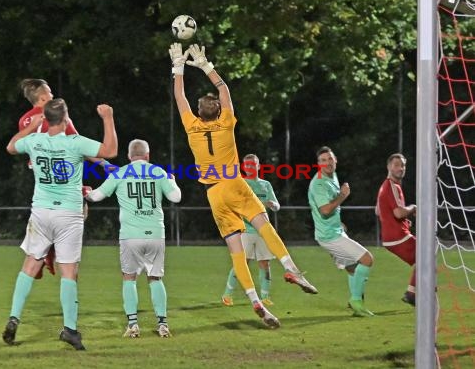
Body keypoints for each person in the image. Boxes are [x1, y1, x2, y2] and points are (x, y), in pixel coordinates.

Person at [170, 43, 317, 329]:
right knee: (264, 226)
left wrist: (178, 66)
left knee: (236, 251)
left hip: (213, 193)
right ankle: (291, 269)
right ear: (219, 110)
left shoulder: (191, 125)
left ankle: (254, 301)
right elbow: (224, 91)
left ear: (199, 112)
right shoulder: (226, 122)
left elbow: (179, 97)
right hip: (234, 184)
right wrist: (205, 65)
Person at [2, 98, 118, 350]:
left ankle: (14, 317)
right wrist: (107, 118)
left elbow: (11, 146)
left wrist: (32, 126)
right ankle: (70, 329)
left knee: (30, 266)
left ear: (46, 119)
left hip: (41, 211)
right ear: (66, 120)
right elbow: (110, 151)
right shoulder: (74, 143)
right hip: (68, 214)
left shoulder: (35, 141)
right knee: (69, 272)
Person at [84, 139, 181, 338]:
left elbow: (96, 197)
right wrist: (172, 181)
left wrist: (86, 192)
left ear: (129, 156)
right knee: (155, 278)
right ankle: (163, 324)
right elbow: (176, 197)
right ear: (147, 155)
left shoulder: (120, 173)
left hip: (130, 235)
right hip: (155, 233)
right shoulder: (158, 172)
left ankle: (133, 325)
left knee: (129, 278)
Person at [18, 78, 110, 279]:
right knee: (79, 208)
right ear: (43, 97)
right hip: (62, 171)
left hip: (41, 174)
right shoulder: (58, 117)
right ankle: (52, 251)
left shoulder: (25, 120)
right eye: (50, 92)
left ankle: (42, 253)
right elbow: (80, 146)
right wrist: (105, 164)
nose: (53, 95)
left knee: (44, 216)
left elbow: (20, 145)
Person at [308, 146, 374, 317]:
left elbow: (330, 209)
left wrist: (339, 222)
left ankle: (357, 307)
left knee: (352, 268)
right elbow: (325, 210)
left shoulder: (333, 177)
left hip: (335, 231)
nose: (327, 163)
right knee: (367, 259)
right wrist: (343, 195)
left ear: (335, 160)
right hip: (329, 236)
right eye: (323, 160)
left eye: (330, 159)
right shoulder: (319, 184)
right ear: (318, 164)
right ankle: (356, 301)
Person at [221, 154, 280, 307]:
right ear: (243, 167)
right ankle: (227, 294)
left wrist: (273, 204)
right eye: (247, 165)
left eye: (253, 164)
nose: (250, 167)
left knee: (265, 263)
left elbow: (276, 205)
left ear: (258, 166)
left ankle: (265, 297)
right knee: (241, 263)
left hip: (262, 231)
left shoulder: (265, 185)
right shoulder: (240, 184)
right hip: (246, 230)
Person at [375, 153, 417, 306]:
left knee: (424, 258)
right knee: (427, 254)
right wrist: (413, 208)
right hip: (397, 236)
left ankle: (418, 291)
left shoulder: (386, 186)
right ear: (388, 167)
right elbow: (398, 212)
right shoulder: (391, 186)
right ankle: (413, 293)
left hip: (391, 237)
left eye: (403, 165)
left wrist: (403, 221)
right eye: (397, 164)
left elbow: (378, 211)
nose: (401, 168)